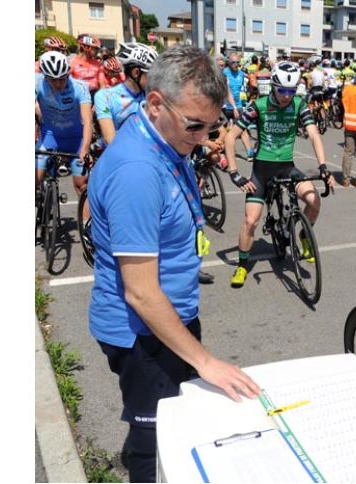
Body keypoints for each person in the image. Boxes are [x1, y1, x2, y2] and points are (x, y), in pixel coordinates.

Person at [87, 46, 261, 483]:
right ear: (155, 103)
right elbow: (141, 292)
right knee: (154, 441)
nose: (202, 137)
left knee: (175, 419)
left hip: (170, 320)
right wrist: (205, 361)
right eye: (194, 125)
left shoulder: (163, 135)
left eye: (212, 126)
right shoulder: (137, 171)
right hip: (142, 333)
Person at [225, 61, 335, 288]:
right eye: (282, 90)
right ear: (273, 86)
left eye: (291, 91)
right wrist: (234, 173)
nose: (287, 96)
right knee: (250, 221)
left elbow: (314, 134)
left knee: (314, 200)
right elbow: (230, 137)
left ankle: (304, 236)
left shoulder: (299, 104)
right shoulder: (258, 105)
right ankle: (242, 266)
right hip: (262, 170)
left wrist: (323, 167)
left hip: (287, 166)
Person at [35, 51, 92, 197]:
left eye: (62, 78)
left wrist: (85, 149)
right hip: (49, 138)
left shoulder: (80, 87)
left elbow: (87, 121)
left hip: (76, 140)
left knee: (82, 186)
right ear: (44, 76)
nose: (58, 84)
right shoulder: (36, 82)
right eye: (53, 80)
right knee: (34, 180)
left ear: (68, 73)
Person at [223, 53, 255, 160]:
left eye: (238, 62)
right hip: (225, 106)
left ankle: (249, 152)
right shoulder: (224, 72)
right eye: (233, 62)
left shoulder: (241, 74)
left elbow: (245, 87)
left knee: (242, 129)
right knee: (224, 131)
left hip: (238, 105)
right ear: (229, 63)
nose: (236, 64)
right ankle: (225, 153)